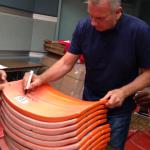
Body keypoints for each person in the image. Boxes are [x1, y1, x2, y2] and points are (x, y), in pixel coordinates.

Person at [23, 0, 150, 149]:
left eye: (100, 18)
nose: (93, 23)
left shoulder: (140, 31)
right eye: (91, 16)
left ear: (117, 12)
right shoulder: (84, 26)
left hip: (119, 111)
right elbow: (66, 63)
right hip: (89, 106)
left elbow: (147, 74)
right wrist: (40, 79)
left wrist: (123, 92)